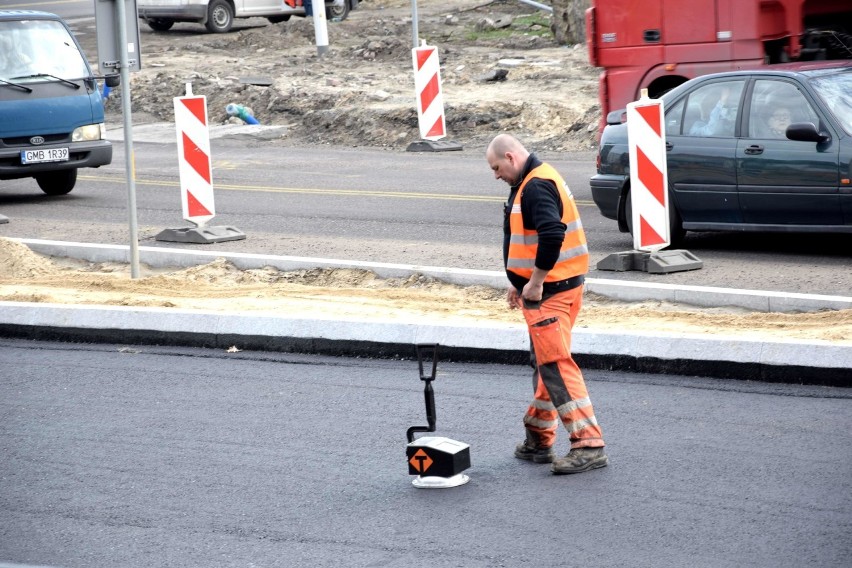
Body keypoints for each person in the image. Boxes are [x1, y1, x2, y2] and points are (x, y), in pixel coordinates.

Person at [485, 134, 608, 475]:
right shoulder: (537, 177)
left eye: (496, 168)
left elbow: (552, 235)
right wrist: (520, 282)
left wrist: (535, 282)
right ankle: (538, 437)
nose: (496, 175)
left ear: (510, 157)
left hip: (550, 294)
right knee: (545, 364)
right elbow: (530, 238)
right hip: (556, 289)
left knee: (555, 366)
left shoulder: (536, 185)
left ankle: (589, 444)